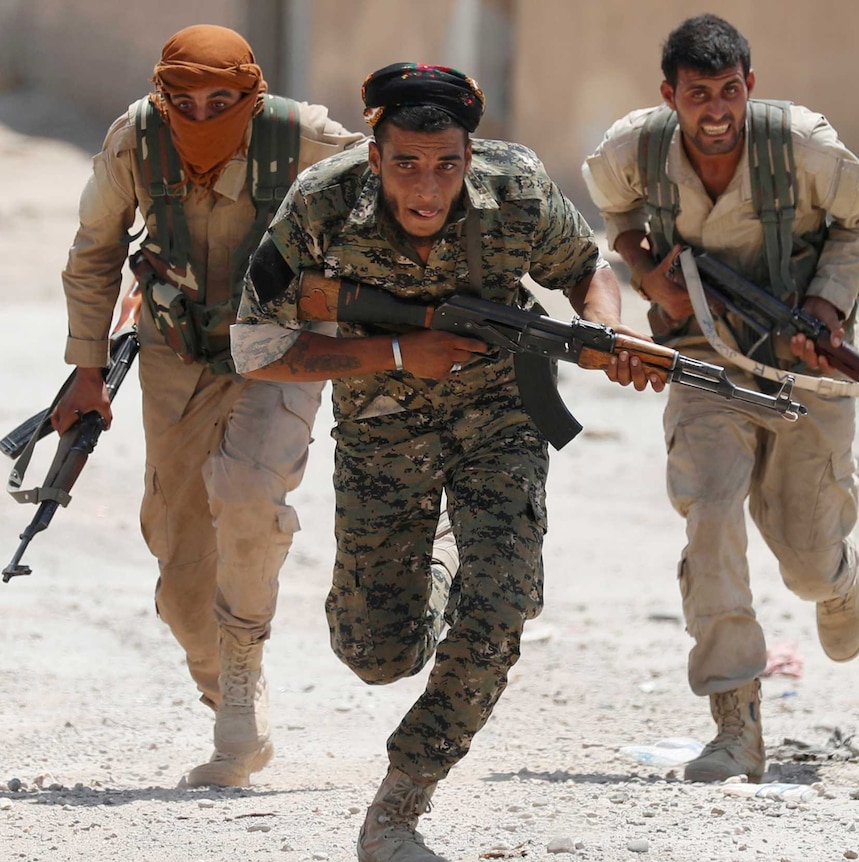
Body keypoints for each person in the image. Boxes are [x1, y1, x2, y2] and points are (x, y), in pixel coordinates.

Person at [231, 62, 654, 861]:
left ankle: (399, 806)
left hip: (504, 414)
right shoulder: (321, 203)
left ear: (471, 151)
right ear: (373, 155)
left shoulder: (518, 186)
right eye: (406, 165)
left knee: (503, 605)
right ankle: (447, 561)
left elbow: (587, 270)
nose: (428, 189)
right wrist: (398, 349)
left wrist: (607, 330)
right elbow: (256, 346)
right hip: (382, 424)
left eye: (448, 165)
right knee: (376, 654)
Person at [51, 24, 364, 788]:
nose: (199, 115)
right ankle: (235, 693)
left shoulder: (299, 136)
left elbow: (401, 189)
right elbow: (94, 250)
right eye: (182, 99)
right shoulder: (138, 138)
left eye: (220, 100)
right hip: (175, 354)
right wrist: (86, 368)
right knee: (180, 562)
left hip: (281, 351)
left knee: (250, 490)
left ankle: (240, 689)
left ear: (251, 94)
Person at [583, 13, 859, 784]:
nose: (715, 111)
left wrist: (828, 312)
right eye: (698, 94)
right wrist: (648, 274)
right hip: (704, 357)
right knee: (708, 512)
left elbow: (858, 224)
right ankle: (735, 723)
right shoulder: (631, 151)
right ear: (668, 94)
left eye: (729, 92)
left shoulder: (802, 146)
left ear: (751, 86)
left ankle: (841, 582)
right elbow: (618, 222)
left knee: (805, 559)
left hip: (803, 362)